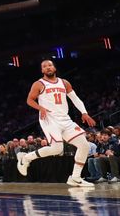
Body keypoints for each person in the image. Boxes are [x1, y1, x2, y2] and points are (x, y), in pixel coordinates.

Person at [16, 59, 96, 188]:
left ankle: (75, 177)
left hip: (65, 119)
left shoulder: (64, 83)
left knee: (84, 146)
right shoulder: (39, 84)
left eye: (50, 65)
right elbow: (29, 100)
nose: (48, 67)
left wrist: (84, 112)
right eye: (44, 66)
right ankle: (26, 158)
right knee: (57, 148)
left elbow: (75, 98)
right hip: (49, 119)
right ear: (42, 70)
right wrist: (40, 107)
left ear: (54, 68)